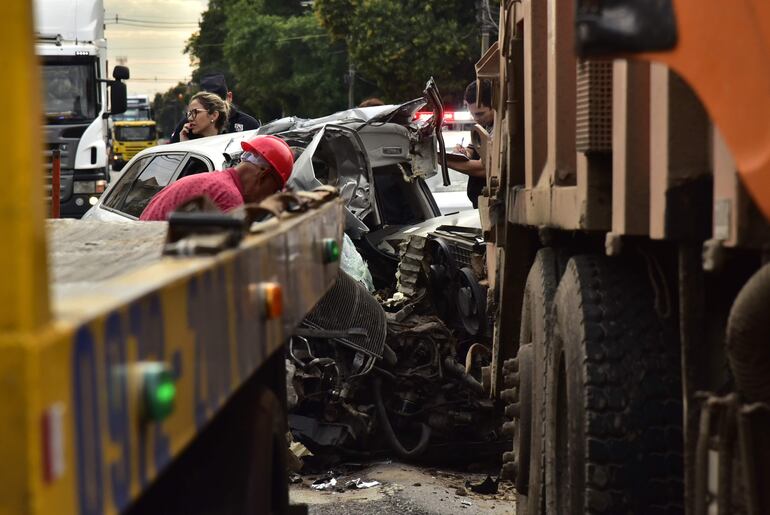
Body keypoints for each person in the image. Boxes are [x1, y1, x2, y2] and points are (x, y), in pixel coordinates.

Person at [139, 135, 294, 221]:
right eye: (273, 191)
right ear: (263, 176)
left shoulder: (215, 182)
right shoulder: (229, 197)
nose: (264, 201)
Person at [446, 80, 495, 208]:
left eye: (480, 114)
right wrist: (463, 153)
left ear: (494, 105)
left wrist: (443, 159)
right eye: (472, 113)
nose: (475, 118)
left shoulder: (500, 128)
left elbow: (485, 168)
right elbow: (471, 149)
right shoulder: (483, 125)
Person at [170, 74, 260, 143]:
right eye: (209, 102)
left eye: (219, 102)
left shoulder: (248, 124)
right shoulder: (187, 126)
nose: (190, 117)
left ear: (229, 97)